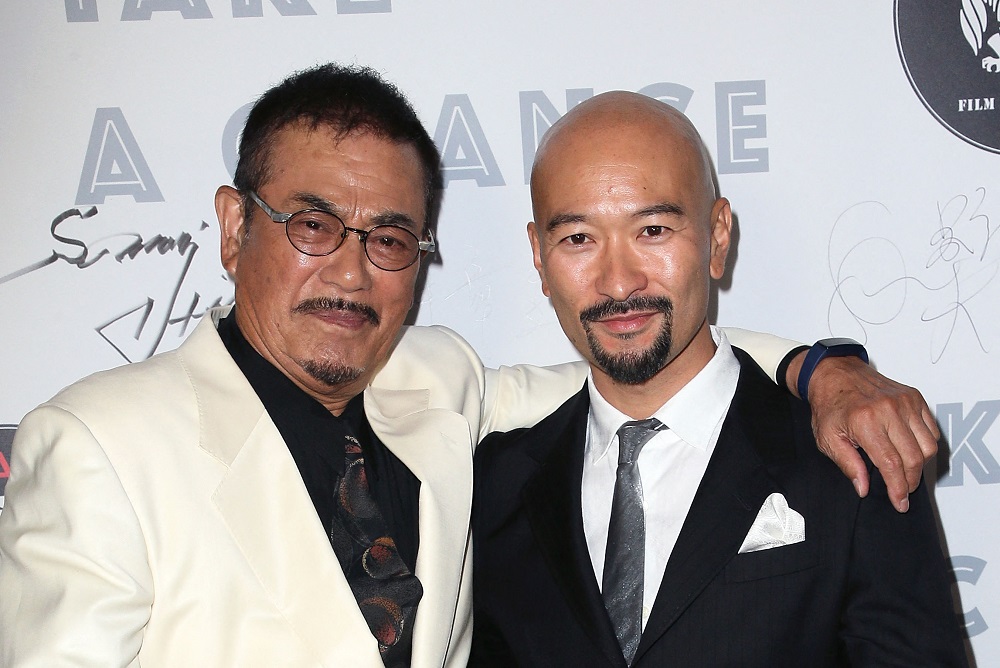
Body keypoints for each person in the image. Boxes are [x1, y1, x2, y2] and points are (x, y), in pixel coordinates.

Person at [0, 65, 940, 667]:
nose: (353, 269)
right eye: (314, 225)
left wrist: (824, 372)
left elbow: (644, 358)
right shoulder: (100, 445)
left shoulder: (437, 394)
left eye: (392, 238)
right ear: (236, 225)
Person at [470, 92, 967, 666]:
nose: (618, 282)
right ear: (539, 256)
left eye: (652, 230)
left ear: (718, 236)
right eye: (578, 238)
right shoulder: (497, 484)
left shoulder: (851, 453)